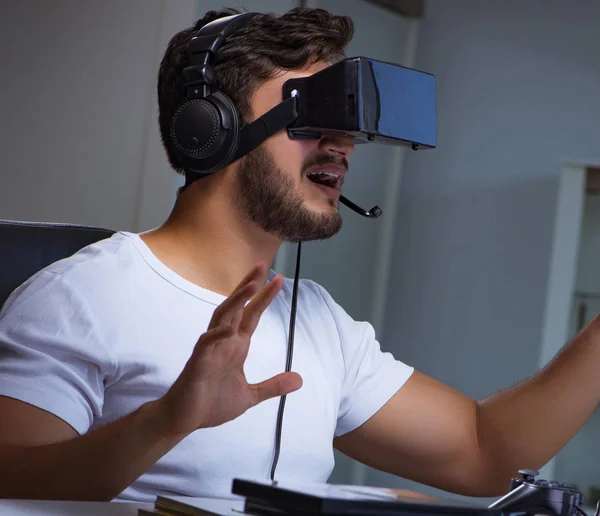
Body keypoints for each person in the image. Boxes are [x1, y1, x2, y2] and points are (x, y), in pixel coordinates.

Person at [0, 6, 599, 504]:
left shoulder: (316, 319)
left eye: (347, 125)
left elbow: (483, 453)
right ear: (209, 127)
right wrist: (166, 420)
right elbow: (11, 482)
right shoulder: (82, 295)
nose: (342, 146)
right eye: (314, 116)